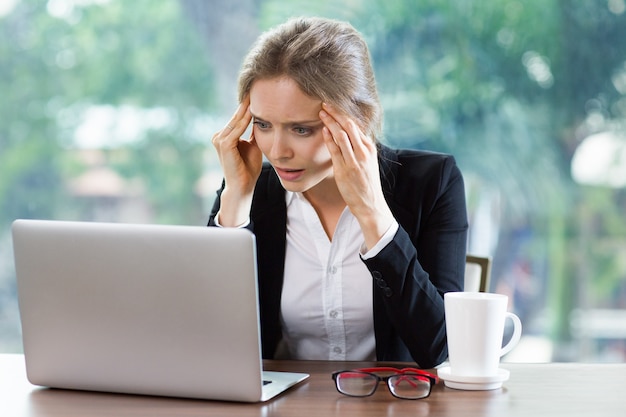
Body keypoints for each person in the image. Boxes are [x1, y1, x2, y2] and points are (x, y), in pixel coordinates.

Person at [208, 16, 468, 368]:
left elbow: (439, 348)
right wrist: (236, 202)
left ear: (356, 120)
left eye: (301, 129)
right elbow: (212, 343)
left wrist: (372, 213)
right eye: (263, 124)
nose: (278, 150)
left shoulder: (432, 183)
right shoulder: (248, 189)